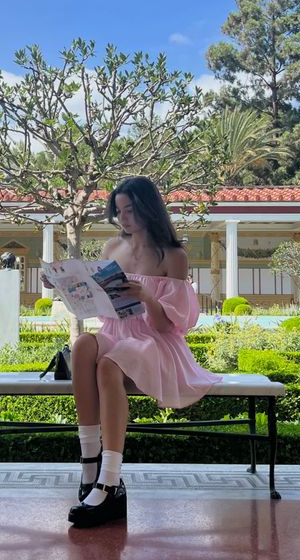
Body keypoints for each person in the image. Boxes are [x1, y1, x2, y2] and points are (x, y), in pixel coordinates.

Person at [42, 176, 222, 528]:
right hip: (116, 330)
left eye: (130, 209)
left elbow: (169, 325)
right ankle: (89, 463)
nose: (123, 218)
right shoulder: (112, 249)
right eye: (119, 211)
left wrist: (147, 297)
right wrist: (63, 284)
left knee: (109, 365)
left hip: (154, 341)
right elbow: (96, 303)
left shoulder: (173, 256)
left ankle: (109, 481)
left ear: (148, 208)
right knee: (82, 346)